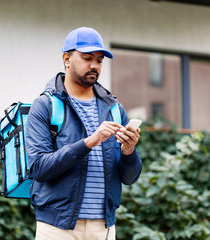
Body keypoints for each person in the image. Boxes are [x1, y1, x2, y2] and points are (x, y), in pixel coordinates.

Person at [25, 27, 142, 240]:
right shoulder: (45, 106)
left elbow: (130, 177)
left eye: (99, 61)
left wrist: (129, 151)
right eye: (87, 58)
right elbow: (39, 168)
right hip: (56, 228)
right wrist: (89, 142)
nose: (94, 66)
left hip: (104, 227)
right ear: (67, 59)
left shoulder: (115, 109)